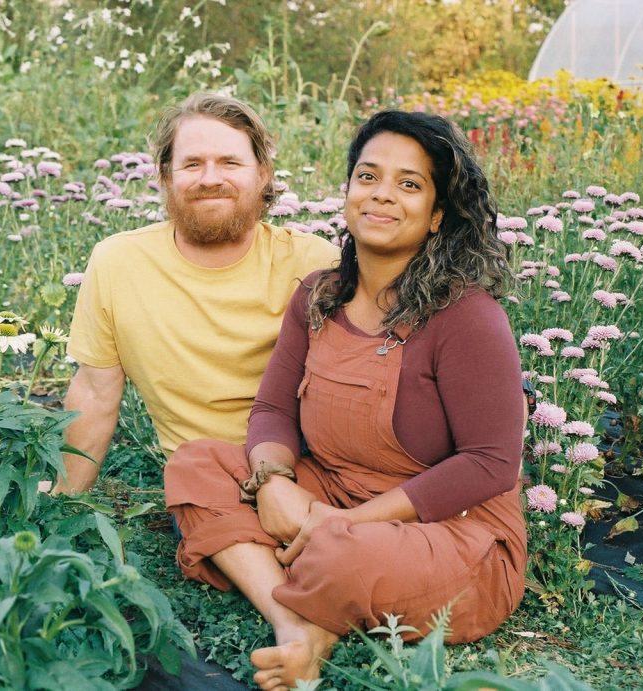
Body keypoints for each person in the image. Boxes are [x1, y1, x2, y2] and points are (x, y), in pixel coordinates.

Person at [164, 110, 527, 690]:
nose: (383, 194)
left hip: (449, 532)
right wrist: (275, 481)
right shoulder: (319, 294)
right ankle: (296, 623)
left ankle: (304, 576)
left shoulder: (468, 317)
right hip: (328, 491)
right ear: (349, 191)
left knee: (340, 555)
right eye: (368, 176)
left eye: (409, 184)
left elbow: (491, 462)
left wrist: (345, 525)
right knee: (197, 465)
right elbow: (273, 410)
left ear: (436, 215)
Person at [50, 93, 340, 494]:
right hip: (204, 478)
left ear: (263, 174)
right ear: (166, 176)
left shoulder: (315, 262)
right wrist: (63, 503)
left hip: (310, 468)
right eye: (192, 164)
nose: (209, 179)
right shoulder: (119, 262)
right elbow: (95, 394)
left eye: (230, 163)